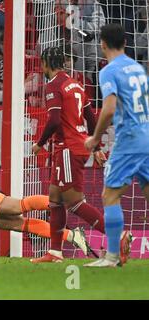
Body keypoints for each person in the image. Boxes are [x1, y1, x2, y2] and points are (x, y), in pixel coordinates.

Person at [30, 46, 109, 263]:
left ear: (46, 63)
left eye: (42, 63)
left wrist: (39, 144)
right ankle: (55, 252)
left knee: (73, 202)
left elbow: (54, 120)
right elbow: (91, 117)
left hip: (68, 148)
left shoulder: (53, 86)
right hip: (77, 146)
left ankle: (117, 236)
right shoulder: (76, 84)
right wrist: (97, 147)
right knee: (55, 199)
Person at [84, 24, 149, 267]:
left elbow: (109, 108)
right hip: (147, 136)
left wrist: (95, 138)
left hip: (130, 140)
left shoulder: (109, 71)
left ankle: (111, 256)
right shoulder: (138, 68)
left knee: (110, 195)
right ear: (124, 42)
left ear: (102, 43)